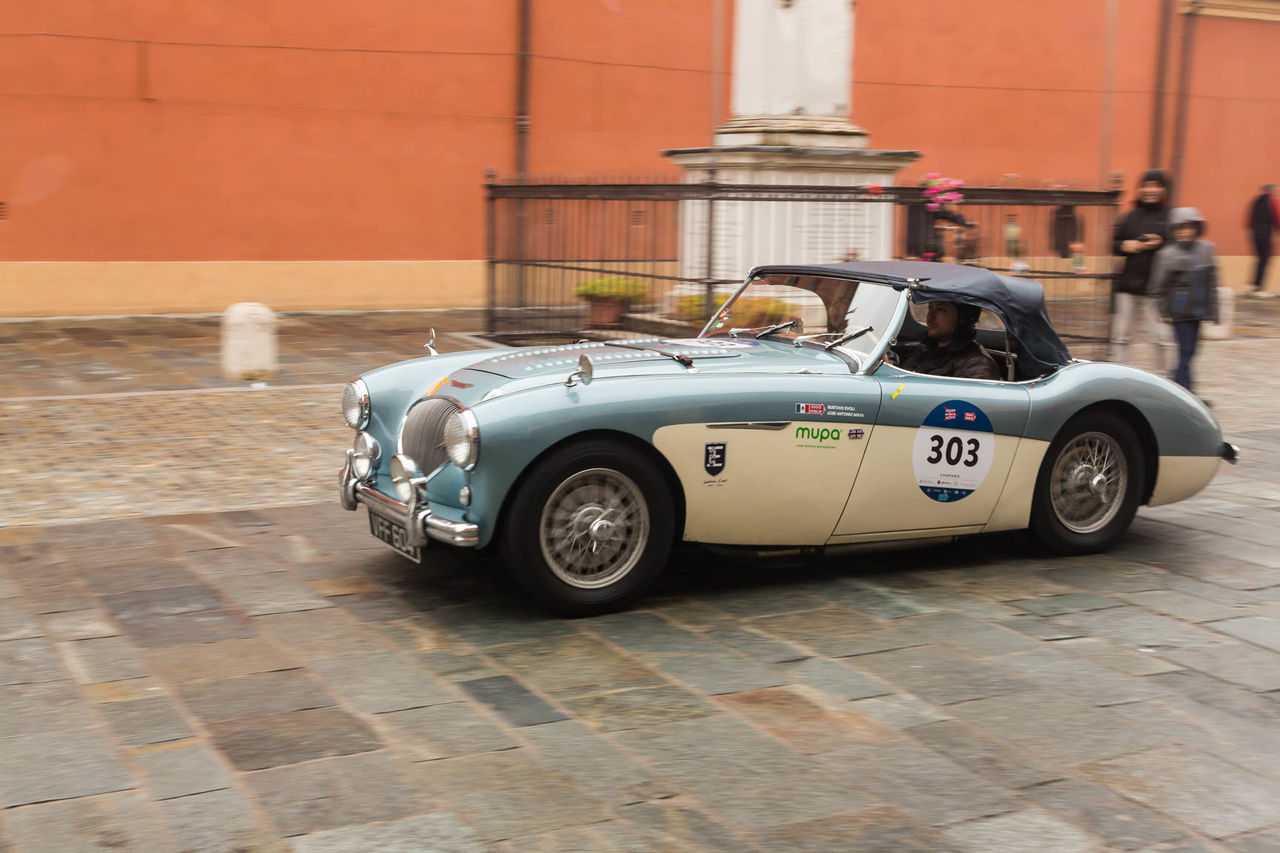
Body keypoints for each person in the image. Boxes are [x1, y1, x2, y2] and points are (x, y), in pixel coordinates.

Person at [1111, 169, 1174, 371]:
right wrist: (1125, 246)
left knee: (1161, 337)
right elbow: (1113, 243)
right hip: (1128, 285)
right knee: (1121, 336)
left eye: (1156, 185)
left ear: (1164, 190)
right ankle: (1117, 377)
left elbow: (1181, 244)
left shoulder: (1172, 216)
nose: (1150, 190)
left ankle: (1165, 380)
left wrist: (1161, 242)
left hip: (1158, 288)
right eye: (1147, 185)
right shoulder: (1131, 216)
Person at [1152, 208, 1219, 392]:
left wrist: (1214, 311)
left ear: (1197, 228)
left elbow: (1211, 282)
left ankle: (1177, 386)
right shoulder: (1166, 255)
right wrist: (1164, 312)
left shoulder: (1206, 249)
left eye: (1189, 228)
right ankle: (1186, 391)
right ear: (1174, 230)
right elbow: (1158, 287)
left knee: (1191, 352)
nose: (1186, 232)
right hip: (1179, 309)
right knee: (1186, 351)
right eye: (1181, 228)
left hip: (1198, 309)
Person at [900, 301, 1001, 380]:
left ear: (963, 317)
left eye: (940, 309)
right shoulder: (926, 350)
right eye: (930, 308)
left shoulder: (977, 365)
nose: (930, 316)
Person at [1245, 184, 1279, 296]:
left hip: (1255, 234)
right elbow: (1276, 218)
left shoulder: (1255, 202)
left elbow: (1249, 220)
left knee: (1259, 259)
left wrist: (1254, 230)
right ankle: (1259, 287)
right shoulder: (1271, 202)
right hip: (1266, 234)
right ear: (1270, 191)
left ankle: (1254, 284)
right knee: (1265, 260)